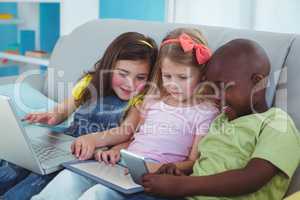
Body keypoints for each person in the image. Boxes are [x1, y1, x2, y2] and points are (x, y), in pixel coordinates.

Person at [32, 28, 219, 200]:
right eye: (167, 76)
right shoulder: (153, 101)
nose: (173, 84)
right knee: (70, 178)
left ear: (202, 74)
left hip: (155, 174)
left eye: (183, 77)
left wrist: (160, 169)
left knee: (97, 194)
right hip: (125, 162)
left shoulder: (204, 112)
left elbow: (194, 162)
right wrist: (115, 150)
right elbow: (135, 137)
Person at [132, 39, 300, 200]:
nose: (216, 97)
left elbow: (251, 179)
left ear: (257, 82)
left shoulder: (276, 122)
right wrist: (176, 173)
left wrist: (182, 184)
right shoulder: (221, 120)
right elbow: (203, 167)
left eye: (223, 87)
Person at [0, 31, 158, 200]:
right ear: (109, 66)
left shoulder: (140, 99)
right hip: (67, 142)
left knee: (34, 183)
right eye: (123, 74)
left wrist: (93, 140)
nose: (130, 84)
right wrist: (52, 116)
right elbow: (64, 109)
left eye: (140, 77)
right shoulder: (90, 82)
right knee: (14, 167)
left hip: (90, 155)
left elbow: (125, 131)